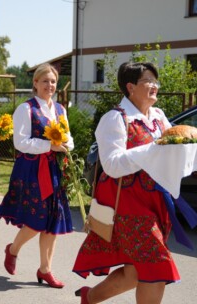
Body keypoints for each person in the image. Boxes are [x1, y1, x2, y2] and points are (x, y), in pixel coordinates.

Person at [72, 62, 176, 304]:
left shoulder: (159, 117)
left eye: (155, 81)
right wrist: (152, 151)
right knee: (155, 265)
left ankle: (90, 297)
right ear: (130, 87)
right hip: (128, 205)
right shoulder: (115, 118)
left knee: (135, 272)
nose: (154, 86)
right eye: (148, 81)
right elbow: (112, 165)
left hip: (156, 201)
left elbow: (170, 152)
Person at [0, 63, 74, 288]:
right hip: (32, 170)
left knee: (52, 220)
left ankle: (45, 269)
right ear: (35, 83)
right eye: (45, 81)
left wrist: (65, 144)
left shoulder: (60, 109)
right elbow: (21, 143)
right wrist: (51, 145)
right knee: (37, 219)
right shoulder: (26, 109)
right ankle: (13, 249)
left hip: (55, 169)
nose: (50, 85)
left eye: (53, 82)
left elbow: (70, 139)